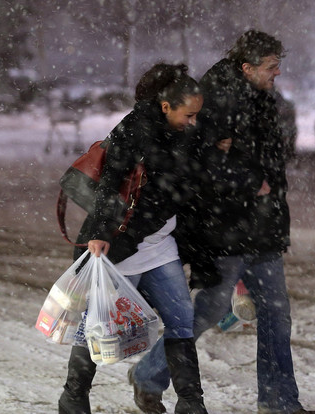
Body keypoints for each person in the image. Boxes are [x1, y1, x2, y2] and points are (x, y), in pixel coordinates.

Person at [128, 31, 315, 414]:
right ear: (247, 67)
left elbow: (261, 155)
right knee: (210, 308)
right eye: (271, 66)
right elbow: (198, 160)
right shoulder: (214, 99)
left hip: (260, 223)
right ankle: (148, 374)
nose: (278, 72)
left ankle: (280, 402)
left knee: (276, 310)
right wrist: (249, 181)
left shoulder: (258, 97)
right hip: (224, 225)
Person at [57, 63, 208, 414]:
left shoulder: (186, 135)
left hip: (160, 246)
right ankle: (74, 398)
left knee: (181, 321)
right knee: (96, 326)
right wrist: (97, 233)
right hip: (123, 245)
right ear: (166, 106)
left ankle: (191, 404)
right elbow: (110, 183)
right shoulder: (135, 129)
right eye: (189, 115)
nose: (193, 122)